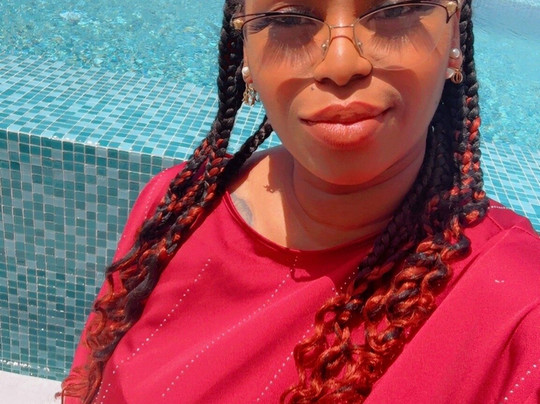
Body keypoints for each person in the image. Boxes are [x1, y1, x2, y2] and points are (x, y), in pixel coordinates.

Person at [61, 0, 540, 402]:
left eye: (395, 10)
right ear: (246, 52)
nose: (341, 64)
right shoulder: (175, 208)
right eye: (289, 19)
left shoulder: (518, 314)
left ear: (454, 33)